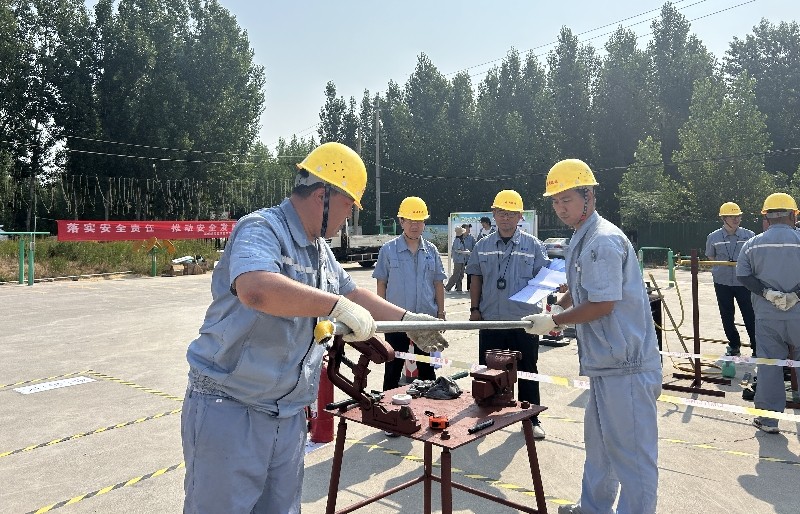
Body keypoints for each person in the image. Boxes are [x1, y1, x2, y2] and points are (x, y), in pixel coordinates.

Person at [181, 142, 449, 514]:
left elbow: (352, 292)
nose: (349, 217)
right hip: (231, 407)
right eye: (349, 206)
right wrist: (334, 306)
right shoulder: (262, 228)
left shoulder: (320, 250)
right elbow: (255, 288)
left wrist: (406, 321)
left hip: (287, 414)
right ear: (323, 196)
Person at [523, 159, 662, 514]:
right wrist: (558, 307)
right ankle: (593, 509)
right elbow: (583, 286)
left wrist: (555, 322)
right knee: (600, 448)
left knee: (632, 457)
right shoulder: (583, 237)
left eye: (567, 199)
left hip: (627, 366)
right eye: (556, 201)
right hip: (606, 363)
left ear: (589, 196)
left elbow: (602, 304)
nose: (560, 208)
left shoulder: (602, 240)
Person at [465, 189, 550, 439]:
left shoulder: (533, 246)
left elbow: (545, 279)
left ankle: (531, 418)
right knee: (488, 370)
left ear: (520, 216)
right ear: (494, 214)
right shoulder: (482, 246)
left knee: (527, 369)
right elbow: (476, 278)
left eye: (511, 214)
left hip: (525, 321)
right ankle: (486, 415)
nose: (506, 218)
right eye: (501, 213)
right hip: (491, 319)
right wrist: (474, 309)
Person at [736, 192, 800, 434]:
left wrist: (768, 293)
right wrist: (795, 295)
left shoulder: (752, 244)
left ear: (767, 217)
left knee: (770, 365)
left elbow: (743, 275)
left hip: (767, 315)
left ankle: (769, 420)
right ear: (793, 215)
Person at [373, 196, 446, 392]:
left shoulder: (431, 251)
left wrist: (441, 314)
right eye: (410, 221)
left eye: (419, 221)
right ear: (401, 221)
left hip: (425, 320)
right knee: (393, 367)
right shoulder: (388, 250)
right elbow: (382, 283)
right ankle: (388, 406)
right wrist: (381, 314)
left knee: (427, 371)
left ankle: (430, 406)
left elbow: (438, 283)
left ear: (424, 223)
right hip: (396, 320)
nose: (415, 226)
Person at [705, 202, 756, 356]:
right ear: (724, 218)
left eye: (738, 216)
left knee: (750, 315)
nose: (736, 219)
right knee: (727, 315)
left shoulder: (749, 236)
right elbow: (711, 257)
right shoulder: (713, 237)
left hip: (744, 283)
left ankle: (756, 347)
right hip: (722, 282)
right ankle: (734, 345)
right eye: (732, 216)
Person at [444, 226, 470, 292]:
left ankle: (459, 289)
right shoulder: (457, 240)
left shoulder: (461, 240)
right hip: (458, 260)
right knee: (456, 274)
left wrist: (465, 251)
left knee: (461, 275)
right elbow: (457, 250)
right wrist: (465, 252)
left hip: (462, 259)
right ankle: (447, 288)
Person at [462, 223, 476, 291]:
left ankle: (469, 288)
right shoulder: (459, 238)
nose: (469, 229)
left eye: (469, 228)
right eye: (467, 228)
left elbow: (475, 247)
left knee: (469, 273)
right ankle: (458, 288)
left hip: (470, 258)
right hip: (461, 258)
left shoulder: (471, 238)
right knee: (459, 274)